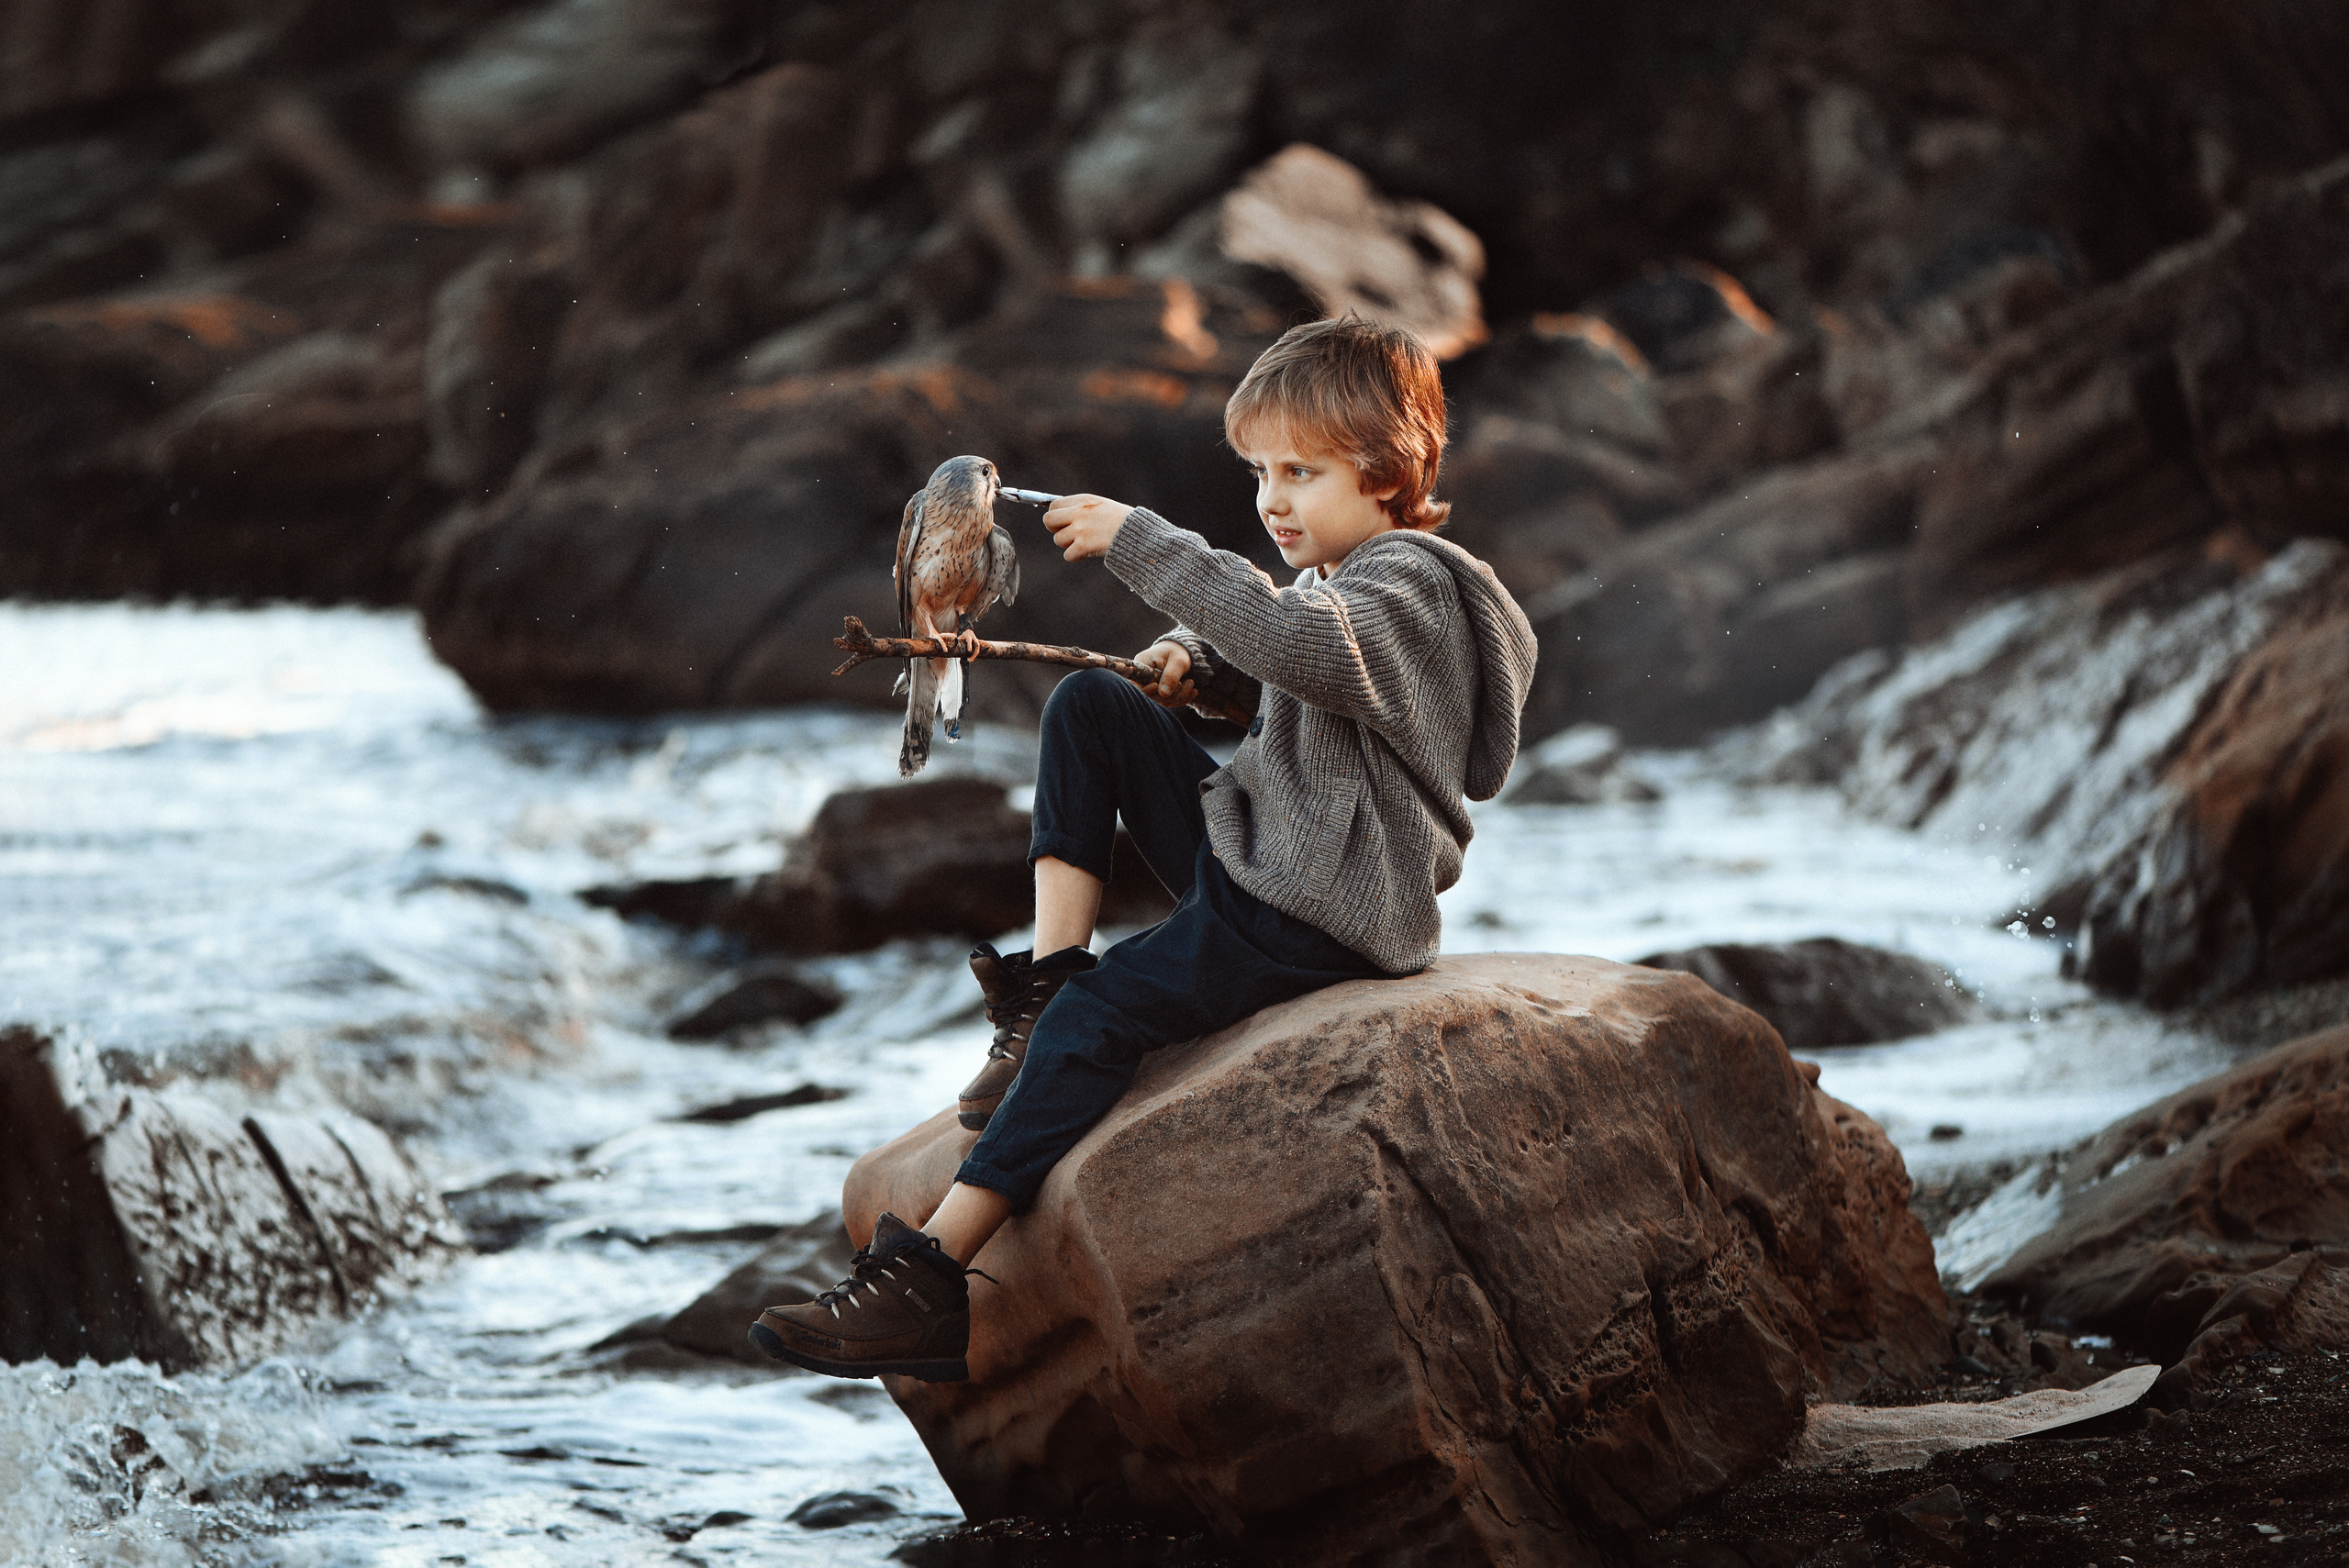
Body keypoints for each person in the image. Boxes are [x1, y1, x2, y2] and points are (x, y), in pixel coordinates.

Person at [748, 315, 1538, 1382]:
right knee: (1090, 709)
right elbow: (1289, 661)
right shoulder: (1348, 583)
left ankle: (928, 1278)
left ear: (1391, 471)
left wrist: (1141, 542)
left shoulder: (1413, 586)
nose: (1271, 499)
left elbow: (1311, 647)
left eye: (1299, 472)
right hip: (1272, 856)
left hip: (1318, 910)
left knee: (1101, 1024)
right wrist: (1198, 667)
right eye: (1260, 471)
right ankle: (1047, 979)